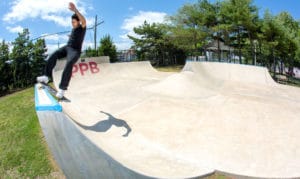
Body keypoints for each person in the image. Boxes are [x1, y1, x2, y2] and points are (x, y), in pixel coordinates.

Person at [37, 2, 86, 98]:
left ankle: (62, 88)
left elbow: (84, 21)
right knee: (53, 54)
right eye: (71, 22)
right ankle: (46, 76)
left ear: (78, 21)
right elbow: (74, 37)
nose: (72, 24)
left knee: (69, 63)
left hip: (75, 51)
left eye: (74, 22)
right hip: (67, 47)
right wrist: (70, 36)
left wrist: (75, 10)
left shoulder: (82, 27)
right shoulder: (74, 29)